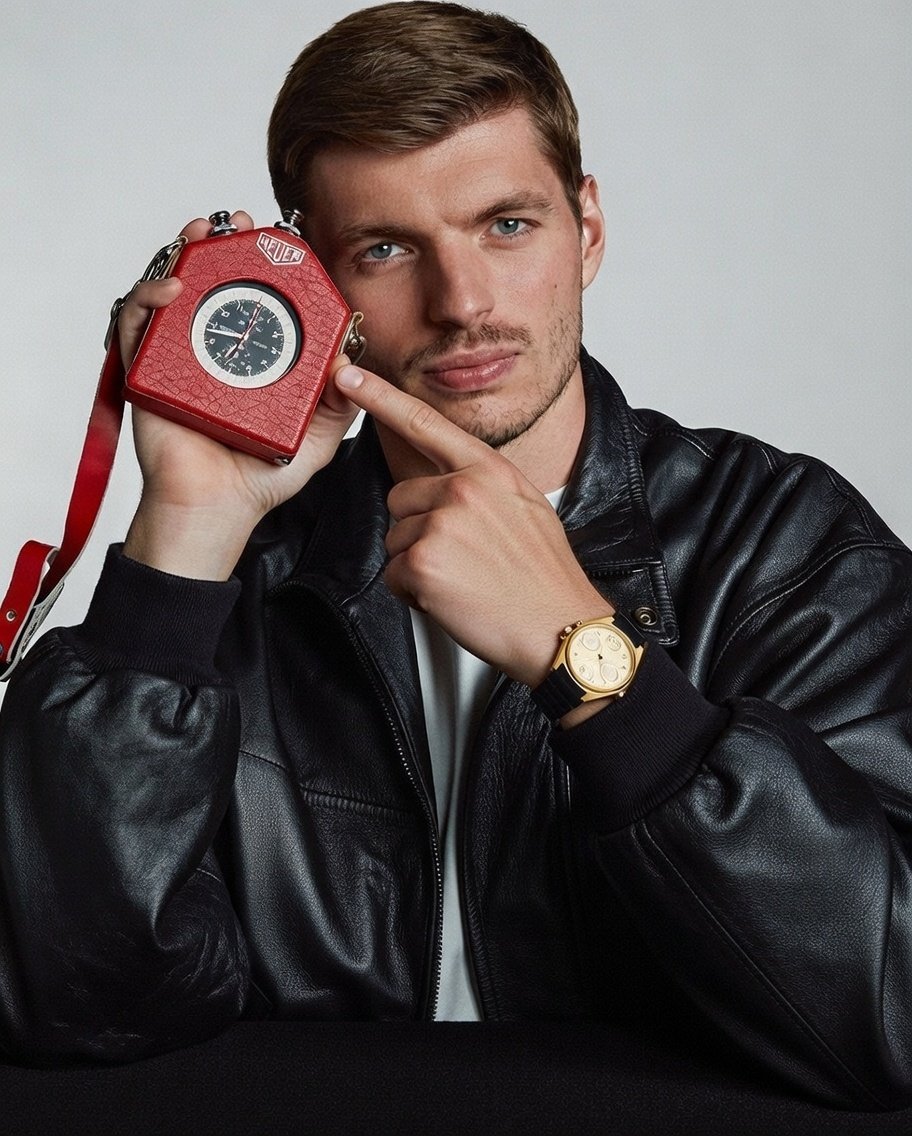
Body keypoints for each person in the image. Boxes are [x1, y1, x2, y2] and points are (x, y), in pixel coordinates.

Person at [1, 0, 911, 1111]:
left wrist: (590, 663)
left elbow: (888, 1015)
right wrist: (185, 535)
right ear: (319, 286)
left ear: (588, 228)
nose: (461, 304)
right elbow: (70, 1008)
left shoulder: (787, 547)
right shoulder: (237, 578)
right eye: (385, 249)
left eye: (507, 226)